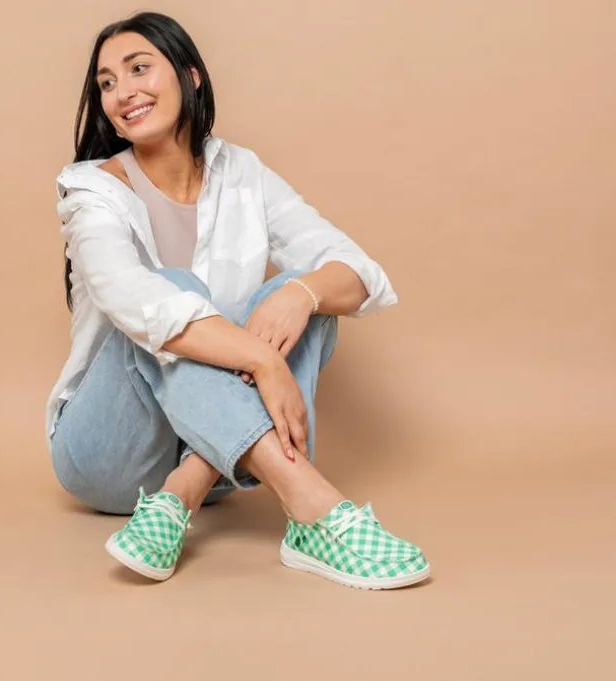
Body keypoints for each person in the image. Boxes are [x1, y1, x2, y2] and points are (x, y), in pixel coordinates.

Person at [47, 11, 430, 590]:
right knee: (176, 291)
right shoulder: (91, 190)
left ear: (190, 76)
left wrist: (302, 292)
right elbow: (136, 300)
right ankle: (314, 507)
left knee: (303, 295)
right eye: (107, 82)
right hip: (108, 456)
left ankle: (180, 496)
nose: (122, 92)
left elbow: (358, 274)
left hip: (218, 449)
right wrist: (263, 360)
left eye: (139, 68)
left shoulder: (242, 173)